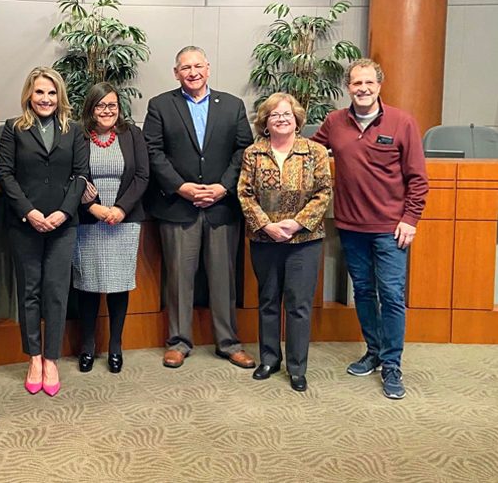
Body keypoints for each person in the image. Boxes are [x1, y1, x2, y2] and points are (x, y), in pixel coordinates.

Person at [313, 58, 428, 399]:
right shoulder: (335, 122)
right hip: (350, 226)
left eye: (369, 83)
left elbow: (418, 179)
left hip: (391, 228)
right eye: (356, 83)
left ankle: (392, 365)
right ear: (348, 87)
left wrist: (410, 218)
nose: (362, 89)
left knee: (391, 296)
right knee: (362, 292)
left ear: (379, 86)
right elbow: (311, 152)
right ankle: (374, 351)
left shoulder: (402, 122)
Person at [143, 45, 255, 370]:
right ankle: (178, 342)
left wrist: (223, 187)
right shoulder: (161, 105)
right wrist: (181, 187)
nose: (192, 72)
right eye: (185, 68)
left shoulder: (232, 105)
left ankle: (229, 343)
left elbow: (243, 150)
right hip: (179, 206)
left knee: (223, 278)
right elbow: (153, 151)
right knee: (179, 278)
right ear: (176, 73)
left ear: (208, 67)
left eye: (197, 66)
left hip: (221, 206)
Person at [0, 67, 89, 396]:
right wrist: (30, 212)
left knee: (56, 292)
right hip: (25, 224)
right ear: (29, 95)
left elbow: (81, 175)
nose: (46, 99)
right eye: (39, 92)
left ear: (59, 95)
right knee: (30, 292)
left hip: (64, 225)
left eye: (51, 93)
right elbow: (5, 174)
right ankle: (34, 358)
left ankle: (52, 359)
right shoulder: (13, 129)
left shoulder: (74, 130)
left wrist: (64, 213)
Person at [237, 93, 332, 392]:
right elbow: (245, 193)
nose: (281, 119)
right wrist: (266, 225)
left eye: (286, 114)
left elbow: (324, 192)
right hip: (265, 239)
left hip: (304, 240)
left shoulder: (314, 151)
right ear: (265, 121)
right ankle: (269, 359)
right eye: (274, 115)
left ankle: (297, 367)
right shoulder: (253, 153)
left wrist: (295, 223)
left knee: (298, 305)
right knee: (267, 301)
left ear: (297, 119)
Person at [74, 83, 149, 374]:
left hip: (123, 221)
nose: (107, 111)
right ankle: (87, 347)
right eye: (101, 106)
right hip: (89, 220)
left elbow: (143, 176)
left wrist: (120, 209)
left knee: (119, 285)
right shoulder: (79, 136)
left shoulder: (132, 135)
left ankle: (115, 347)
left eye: (112, 106)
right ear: (91, 108)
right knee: (87, 285)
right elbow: (73, 175)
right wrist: (93, 207)